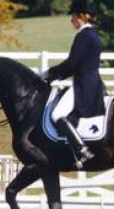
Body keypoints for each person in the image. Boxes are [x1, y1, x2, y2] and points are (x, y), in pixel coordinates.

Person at [41, 0, 105, 169]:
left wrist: (49, 73)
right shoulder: (94, 35)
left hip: (83, 85)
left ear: (81, 16)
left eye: (73, 17)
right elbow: (77, 65)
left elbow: (72, 63)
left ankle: (81, 149)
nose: (71, 20)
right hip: (92, 82)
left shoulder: (84, 36)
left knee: (57, 114)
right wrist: (56, 77)